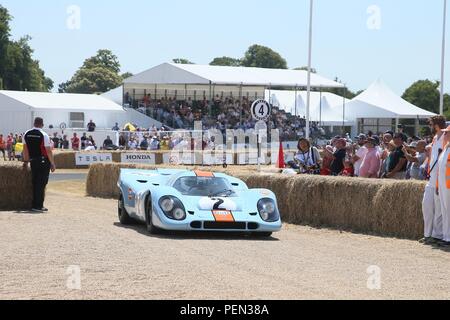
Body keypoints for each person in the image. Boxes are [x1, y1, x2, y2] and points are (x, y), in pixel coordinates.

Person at [421, 115, 447, 245]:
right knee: (426, 206)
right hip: (431, 178)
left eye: (431, 124)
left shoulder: (445, 137)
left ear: (436, 124)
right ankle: (427, 234)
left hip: (440, 179)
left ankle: (436, 236)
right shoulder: (435, 137)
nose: (430, 127)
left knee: (438, 210)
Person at [22, 117, 56, 213]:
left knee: (35, 182)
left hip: (33, 161)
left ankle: (37, 205)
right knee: (41, 183)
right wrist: (52, 163)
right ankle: (38, 205)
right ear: (42, 124)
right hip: (43, 161)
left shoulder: (26, 133)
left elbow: (25, 149)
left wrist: (26, 160)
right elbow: (48, 151)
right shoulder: (44, 134)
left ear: (34, 123)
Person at [437, 125, 450, 246]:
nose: (445, 135)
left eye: (447, 133)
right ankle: (446, 237)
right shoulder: (446, 148)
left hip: (448, 185)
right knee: (445, 210)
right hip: (443, 185)